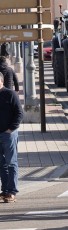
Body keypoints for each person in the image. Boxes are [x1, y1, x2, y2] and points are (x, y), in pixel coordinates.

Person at [0, 71, 24, 203]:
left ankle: (12, 192)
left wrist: (11, 129)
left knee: (11, 163)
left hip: (8, 134)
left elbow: (19, 113)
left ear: (2, 81)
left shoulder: (10, 94)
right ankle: (4, 191)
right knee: (1, 165)